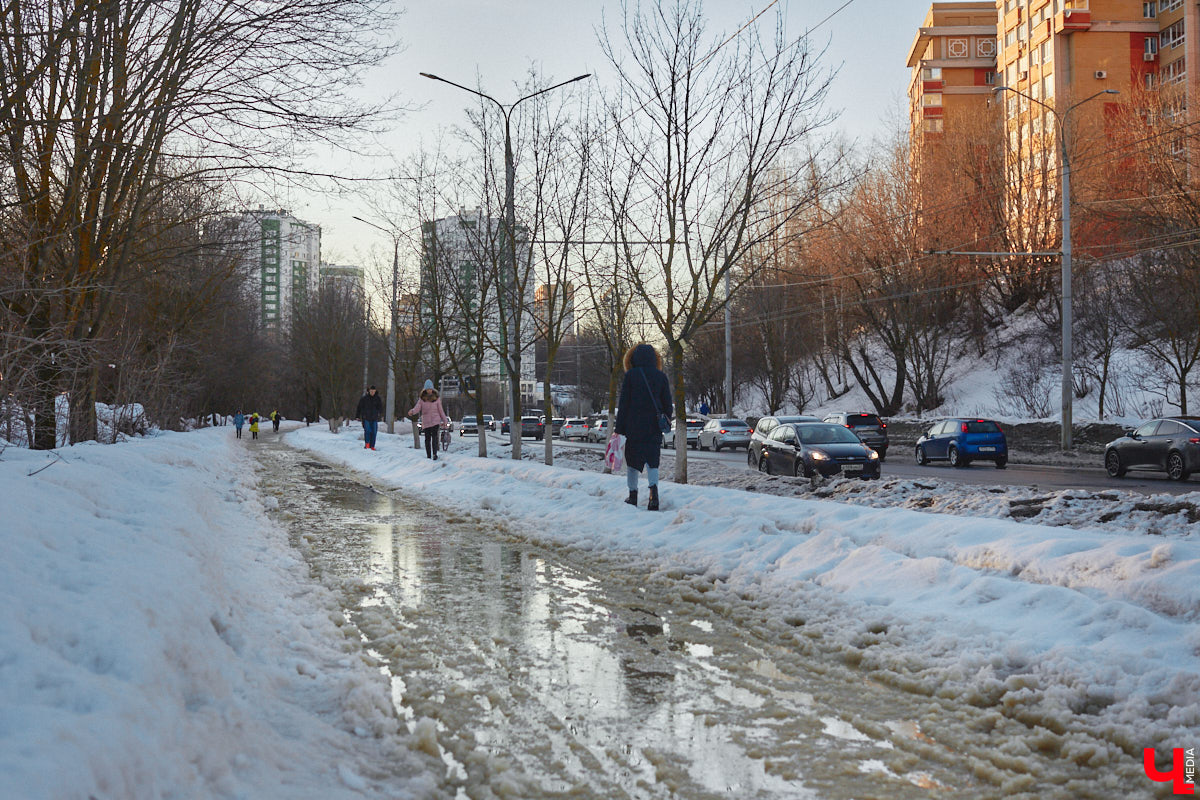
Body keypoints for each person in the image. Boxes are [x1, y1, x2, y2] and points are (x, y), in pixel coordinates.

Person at [615, 343, 673, 511]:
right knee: (652, 462)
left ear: (633, 358)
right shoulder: (661, 377)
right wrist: (665, 418)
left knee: (632, 462)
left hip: (634, 427)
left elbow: (624, 404)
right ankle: (653, 496)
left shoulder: (631, 376)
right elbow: (668, 404)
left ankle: (632, 496)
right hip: (653, 428)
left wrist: (619, 428)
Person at [409, 379, 450, 460]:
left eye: (430, 389)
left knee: (434, 437)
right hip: (426, 421)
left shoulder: (437, 399)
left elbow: (440, 410)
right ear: (425, 389)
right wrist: (412, 411)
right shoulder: (422, 399)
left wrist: (445, 420)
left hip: (435, 421)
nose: (429, 391)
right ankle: (428, 455)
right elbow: (417, 408)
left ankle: (435, 454)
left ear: (433, 389)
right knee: (427, 439)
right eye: (428, 389)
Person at [356, 385, 384, 450]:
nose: (372, 392)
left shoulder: (377, 399)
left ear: (375, 391)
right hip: (366, 418)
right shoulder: (364, 398)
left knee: (374, 432)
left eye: (373, 391)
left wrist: (380, 413)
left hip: (374, 418)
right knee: (367, 431)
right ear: (369, 391)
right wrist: (357, 416)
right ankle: (367, 444)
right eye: (371, 391)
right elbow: (359, 407)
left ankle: (372, 446)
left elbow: (380, 407)